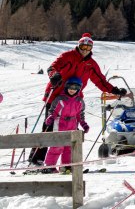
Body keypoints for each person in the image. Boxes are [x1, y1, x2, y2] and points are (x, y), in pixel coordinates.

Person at [29, 33, 126, 166]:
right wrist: (54, 75)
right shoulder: (68, 56)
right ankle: (36, 157)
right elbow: (53, 67)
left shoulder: (91, 64)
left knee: (70, 128)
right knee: (49, 127)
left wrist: (114, 90)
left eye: (88, 48)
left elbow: (100, 81)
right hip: (56, 95)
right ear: (78, 45)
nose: (85, 50)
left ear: (91, 49)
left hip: (73, 100)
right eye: (83, 47)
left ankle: (67, 162)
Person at [39, 77, 90, 174]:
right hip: (60, 123)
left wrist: (84, 124)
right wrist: (50, 118)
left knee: (69, 147)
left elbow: (80, 115)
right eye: (70, 88)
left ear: (78, 89)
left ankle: (66, 166)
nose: (72, 90)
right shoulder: (60, 99)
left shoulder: (79, 101)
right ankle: (50, 166)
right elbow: (53, 111)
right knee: (57, 146)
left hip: (72, 124)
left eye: (75, 89)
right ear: (66, 87)